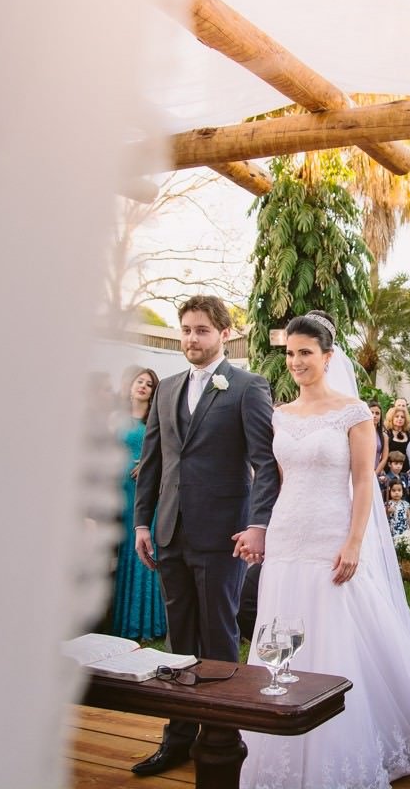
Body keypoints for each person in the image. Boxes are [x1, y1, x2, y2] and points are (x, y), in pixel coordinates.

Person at [240, 311, 410, 789]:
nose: (296, 361)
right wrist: (265, 529)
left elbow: (363, 480)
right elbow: (282, 479)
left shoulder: (354, 412)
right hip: (288, 535)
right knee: (284, 629)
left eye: (305, 352)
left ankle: (339, 740)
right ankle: (276, 730)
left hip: (333, 533)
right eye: (290, 353)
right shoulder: (280, 414)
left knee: (334, 631)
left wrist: (353, 541)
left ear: (328, 357)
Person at [130, 295, 280, 777]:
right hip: (170, 533)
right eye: (186, 330)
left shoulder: (247, 386)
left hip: (222, 538)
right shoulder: (167, 388)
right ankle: (176, 738)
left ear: (223, 333)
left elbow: (265, 463)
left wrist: (257, 525)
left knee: (217, 639)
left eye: (201, 330)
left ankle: (219, 740)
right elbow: (152, 462)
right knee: (178, 643)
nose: (191, 338)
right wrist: (141, 523)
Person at [109, 367, 166, 641]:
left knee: (140, 552)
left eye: (148, 384)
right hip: (115, 490)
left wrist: (146, 464)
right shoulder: (114, 419)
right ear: (130, 386)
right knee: (118, 553)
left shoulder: (154, 420)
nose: (143, 386)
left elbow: (167, 452)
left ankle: (146, 624)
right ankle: (120, 621)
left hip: (143, 492)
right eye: (139, 382)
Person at [367, 399, 389, 491]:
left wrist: (375, 474)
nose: (374, 415)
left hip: (376, 473)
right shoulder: (360, 433)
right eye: (371, 412)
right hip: (362, 473)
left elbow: (384, 458)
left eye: (377, 413)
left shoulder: (384, 436)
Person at [385, 404, 410, 473]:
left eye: (402, 417)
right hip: (390, 472)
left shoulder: (409, 435)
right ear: (391, 418)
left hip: (406, 472)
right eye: (397, 416)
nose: (399, 419)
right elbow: (384, 455)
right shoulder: (387, 434)